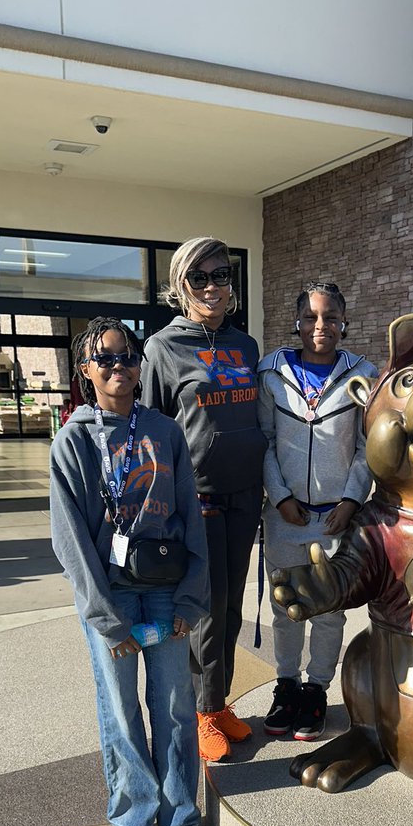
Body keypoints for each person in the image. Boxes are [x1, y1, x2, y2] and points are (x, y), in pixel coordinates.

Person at [50, 316, 215, 826]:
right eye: (107, 359)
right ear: (86, 373)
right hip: (113, 597)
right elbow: (69, 539)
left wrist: (193, 598)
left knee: (174, 704)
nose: (120, 366)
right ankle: (133, 817)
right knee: (120, 711)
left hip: (167, 591)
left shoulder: (165, 432)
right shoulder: (73, 440)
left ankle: (181, 815)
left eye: (129, 356)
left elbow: (192, 515)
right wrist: (105, 620)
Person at [142, 237, 266, 763]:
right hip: (200, 501)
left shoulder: (245, 345)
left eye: (222, 276)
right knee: (205, 611)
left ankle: (217, 704)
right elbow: (149, 430)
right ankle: (199, 710)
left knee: (231, 608)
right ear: (181, 286)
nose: (214, 286)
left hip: (245, 496)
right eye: (201, 278)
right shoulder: (162, 348)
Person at [257, 282, 378, 739]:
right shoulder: (270, 373)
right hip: (286, 514)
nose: (320, 326)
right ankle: (285, 684)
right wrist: (280, 495)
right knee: (285, 605)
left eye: (329, 317)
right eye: (310, 317)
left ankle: (316, 690)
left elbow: (368, 446)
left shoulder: (362, 377)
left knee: (328, 610)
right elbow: (264, 440)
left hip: (335, 517)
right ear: (297, 321)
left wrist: (352, 499)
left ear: (344, 321)